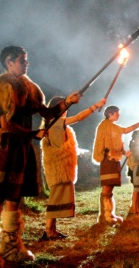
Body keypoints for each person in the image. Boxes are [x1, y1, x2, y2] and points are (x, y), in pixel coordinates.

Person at [0, 46, 80, 268]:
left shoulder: (30, 87)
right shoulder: (3, 87)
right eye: (21, 60)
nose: (25, 63)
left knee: (14, 197)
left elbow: (48, 114)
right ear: (9, 63)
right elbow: (5, 124)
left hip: (22, 148)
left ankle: (10, 247)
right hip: (6, 147)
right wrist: (32, 134)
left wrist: (67, 102)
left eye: (26, 60)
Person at [39, 96, 106, 241]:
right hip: (59, 167)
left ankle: (52, 230)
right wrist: (95, 106)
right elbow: (79, 117)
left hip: (59, 167)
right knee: (55, 199)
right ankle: (48, 231)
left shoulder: (51, 123)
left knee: (56, 198)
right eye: (65, 107)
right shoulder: (57, 122)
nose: (67, 111)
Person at [92, 105, 139, 225]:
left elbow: (117, 140)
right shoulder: (104, 126)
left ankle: (110, 213)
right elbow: (125, 131)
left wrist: (123, 152)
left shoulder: (112, 126)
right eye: (117, 113)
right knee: (107, 187)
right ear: (110, 114)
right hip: (108, 160)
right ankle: (105, 215)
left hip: (113, 160)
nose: (119, 115)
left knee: (110, 187)